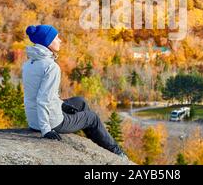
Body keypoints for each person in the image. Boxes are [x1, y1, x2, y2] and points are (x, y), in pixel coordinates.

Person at [22, 24, 127, 159]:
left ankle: (95, 138)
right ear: (47, 42)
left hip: (33, 119)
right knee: (92, 118)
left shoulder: (29, 64)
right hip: (51, 121)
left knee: (80, 101)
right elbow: (43, 99)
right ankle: (117, 153)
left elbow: (38, 95)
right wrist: (46, 130)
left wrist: (62, 105)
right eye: (56, 38)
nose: (60, 40)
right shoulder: (51, 67)